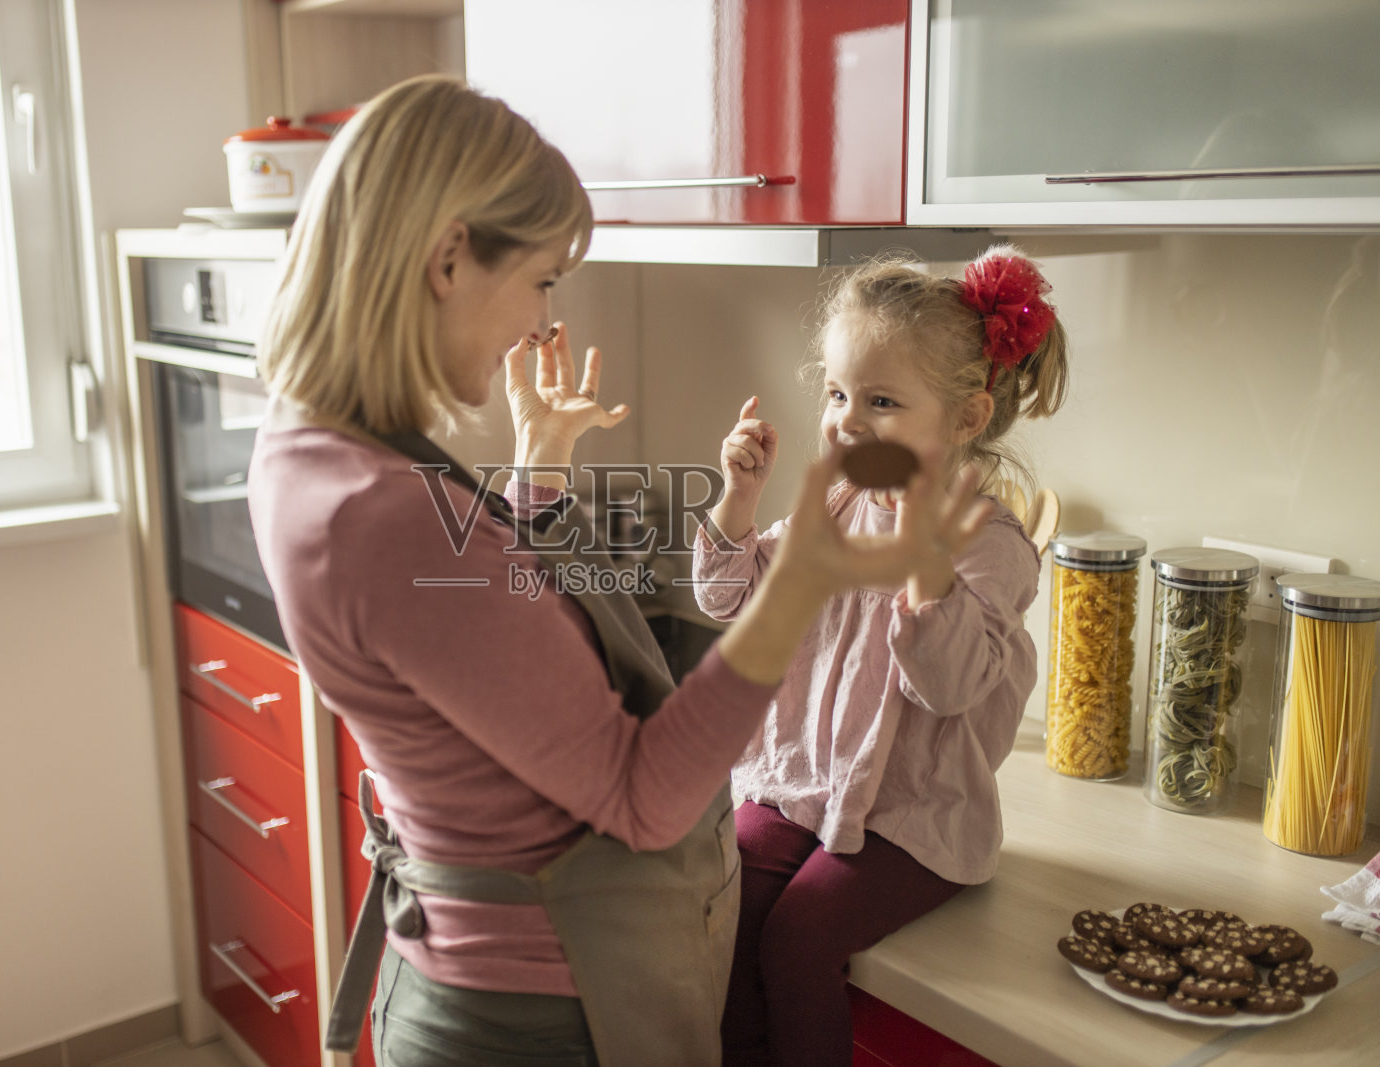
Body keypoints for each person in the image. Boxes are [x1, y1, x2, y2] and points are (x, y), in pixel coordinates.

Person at [247, 74, 989, 1066]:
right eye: (543, 279)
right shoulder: (374, 511)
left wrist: (537, 475)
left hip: (496, 978)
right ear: (450, 257)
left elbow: (474, 641)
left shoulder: (310, 452)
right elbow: (643, 798)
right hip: (543, 1015)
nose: (538, 319)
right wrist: (798, 584)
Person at [695, 247, 1069, 1066]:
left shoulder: (990, 546)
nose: (847, 420)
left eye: (882, 400)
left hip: (912, 817)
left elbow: (946, 685)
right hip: (806, 783)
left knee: (798, 938)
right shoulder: (837, 504)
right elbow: (730, 598)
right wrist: (739, 500)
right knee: (722, 907)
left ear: (966, 418)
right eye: (837, 393)